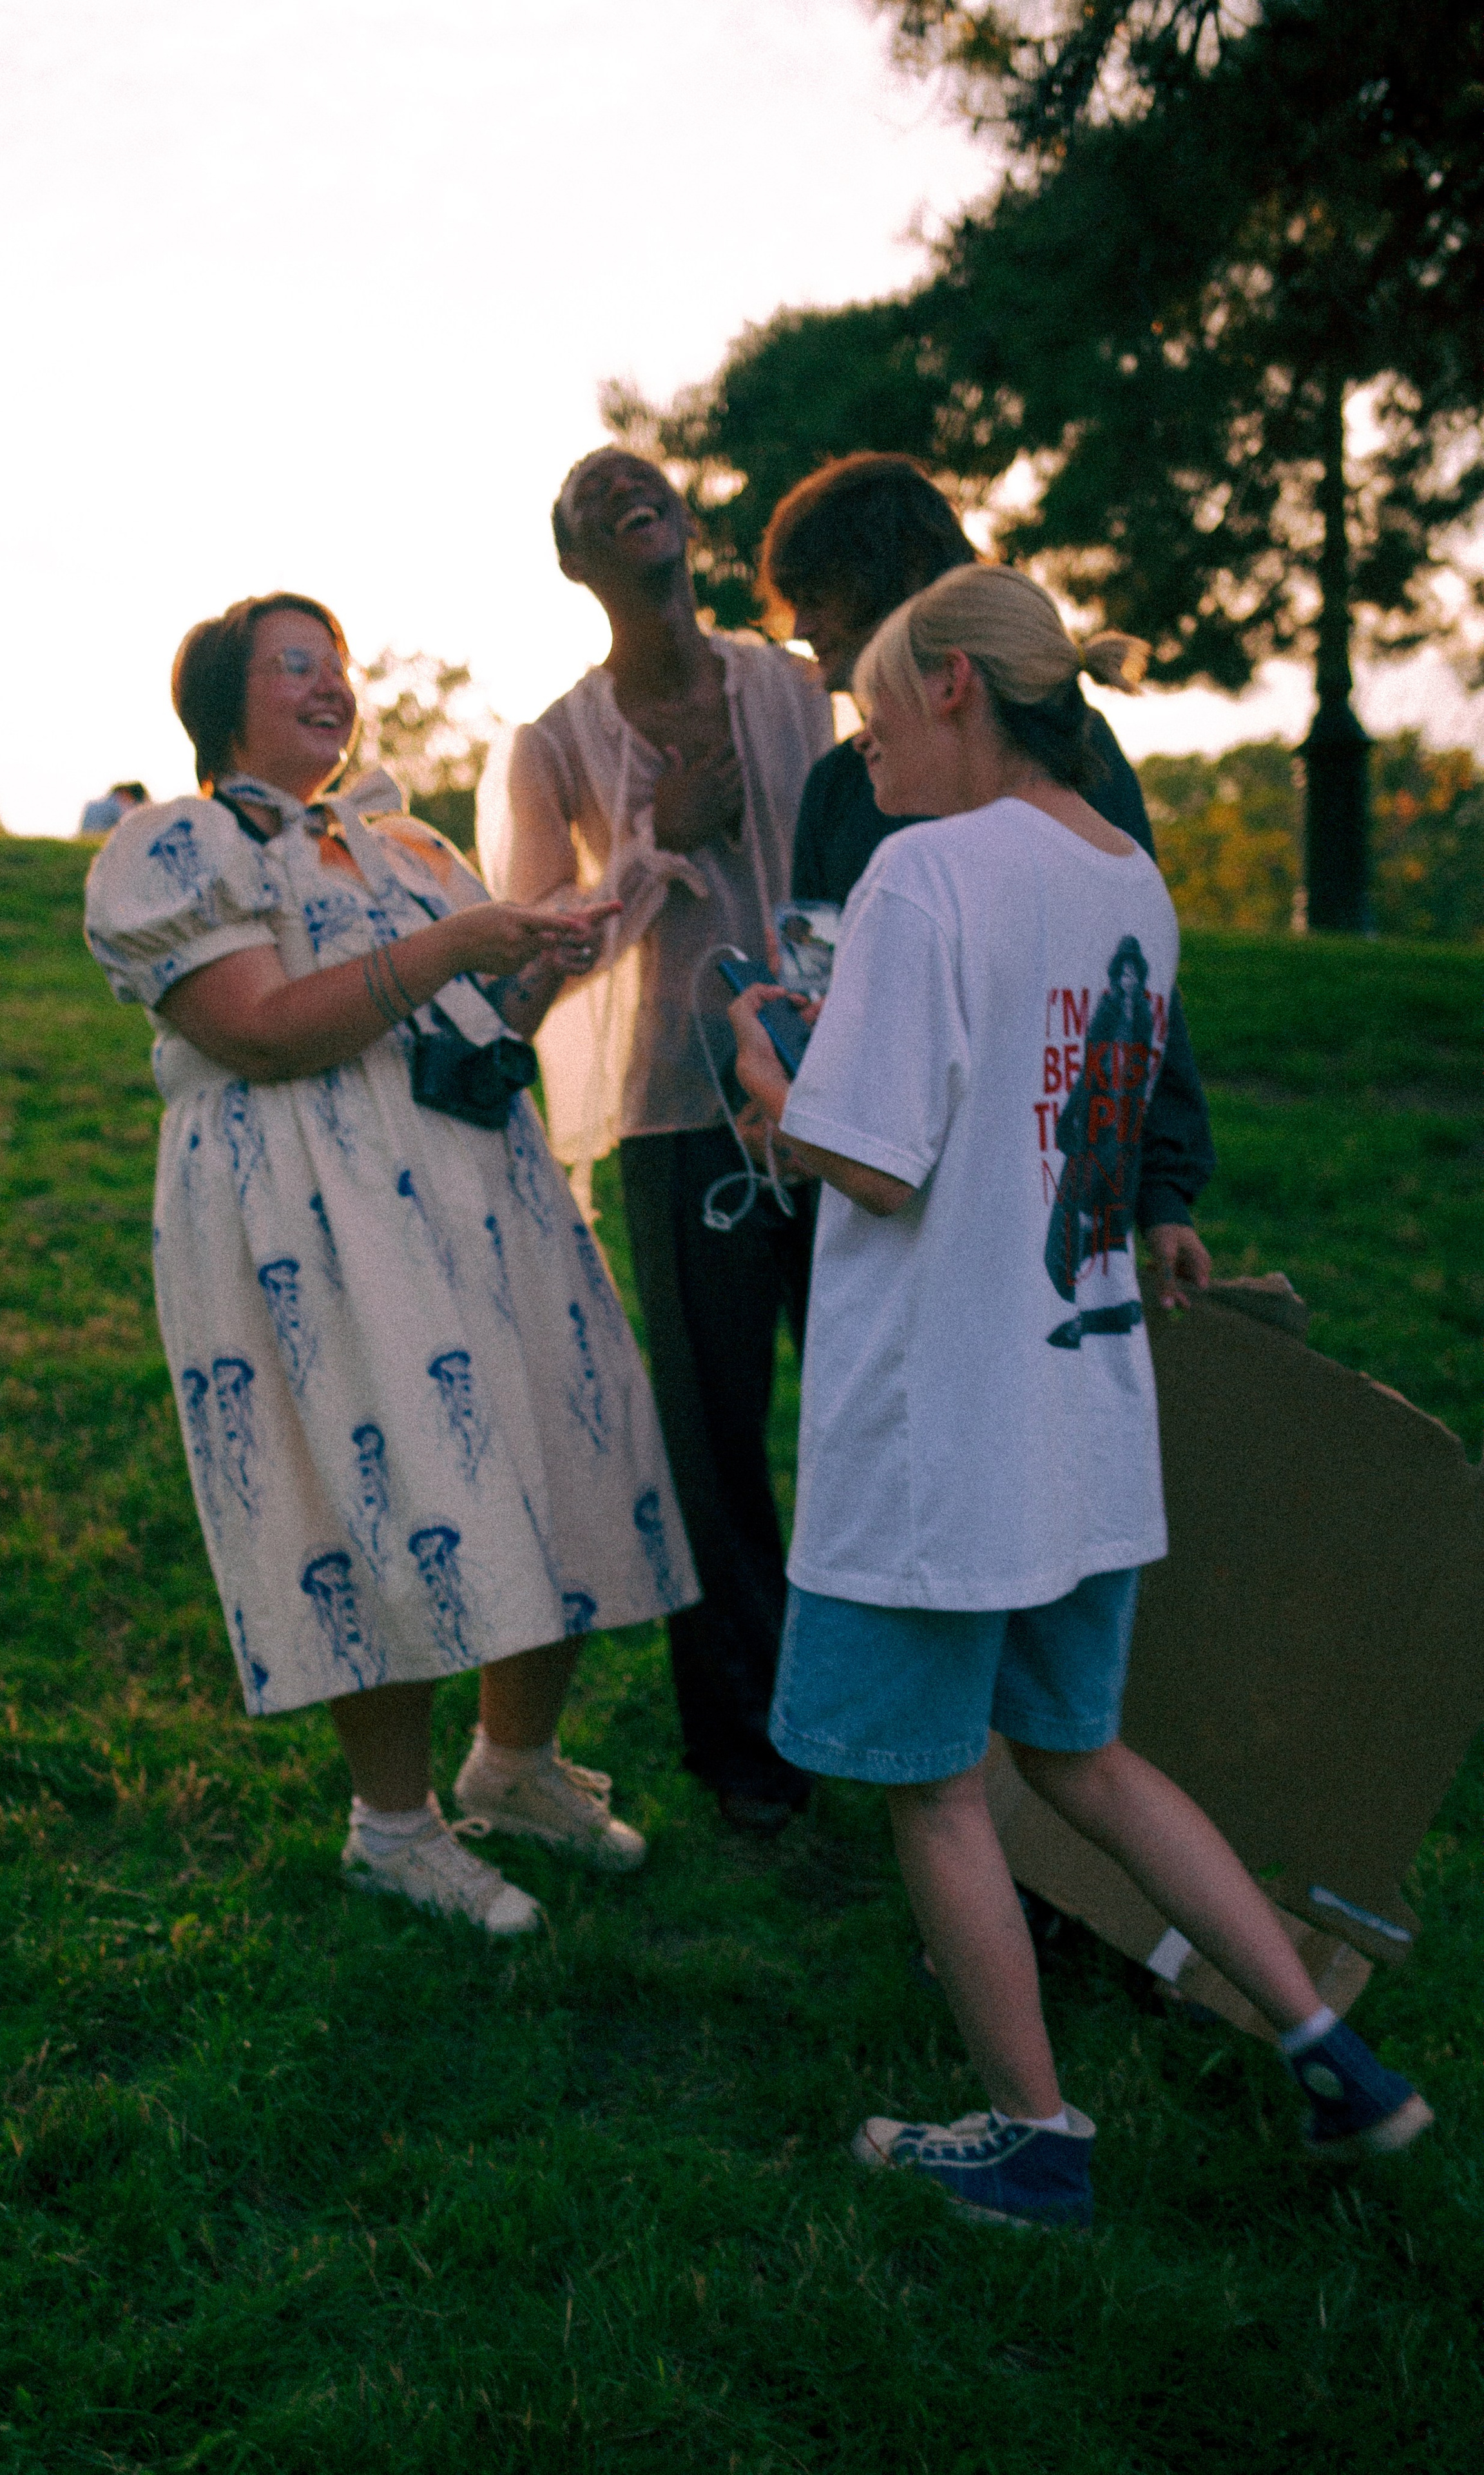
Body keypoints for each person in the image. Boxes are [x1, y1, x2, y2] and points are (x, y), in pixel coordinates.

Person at [726, 563, 1432, 2229]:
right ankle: (1336, 2052)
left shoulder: (922, 875)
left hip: (940, 1424)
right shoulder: (1134, 877)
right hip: (1077, 1403)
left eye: (879, 711)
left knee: (937, 1785)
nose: (866, 747)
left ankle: (1034, 2135)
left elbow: (876, 1164)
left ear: (958, 688)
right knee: (1089, 1754)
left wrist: (772, 1088)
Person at [83, 591, 699, 1935]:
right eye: (293, 665)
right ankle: (393, 1826)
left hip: (474, 1184)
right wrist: (458, 945)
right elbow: (258, 1031)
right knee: (375, 1481)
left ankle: (515, 1766)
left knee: (549, 1443)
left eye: (339, 665)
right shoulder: (175, 843)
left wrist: (563, 941)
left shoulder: (408, 843)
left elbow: (478, 1020)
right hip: (306, 1205)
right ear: (220, 703)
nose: (330, 686)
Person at [477, 449, 834, 1834]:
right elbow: (523, 962)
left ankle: (902, 1711)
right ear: (576, 565)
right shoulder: (554, 744)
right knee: (712, 1438)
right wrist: (650, 847)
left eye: (643, 483)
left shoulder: (793, 689)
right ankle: (746, 1747)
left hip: (844, 1101)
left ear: (684, 523)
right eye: (588, 502)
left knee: (877, 1411)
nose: (623, 492)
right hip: (681, 1126)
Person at [758, 453, 1215, 1300]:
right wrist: (789, 1087)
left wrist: (1164, 1193)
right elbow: (818, 996)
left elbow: (1134, 992)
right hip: (892, 1222)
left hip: (1039, 1211)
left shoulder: (1073, 759)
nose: (804, 638)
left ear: (890, 579)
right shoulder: (834, 792)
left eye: (816, 597)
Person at [78, 780, 150, 837]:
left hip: (85, 838)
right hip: (100, 842)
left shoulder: (93, 804)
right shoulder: (117, 805)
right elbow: (131, 825)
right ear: (126, 793)